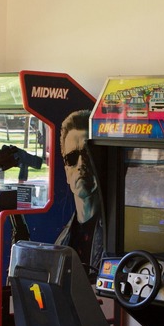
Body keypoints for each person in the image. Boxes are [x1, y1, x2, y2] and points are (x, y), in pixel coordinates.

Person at [54, 109, 104, 271]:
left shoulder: (119, 236)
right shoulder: (61, 241)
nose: (81, 164)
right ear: (66, 172)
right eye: (72, 158)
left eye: (88, 154)